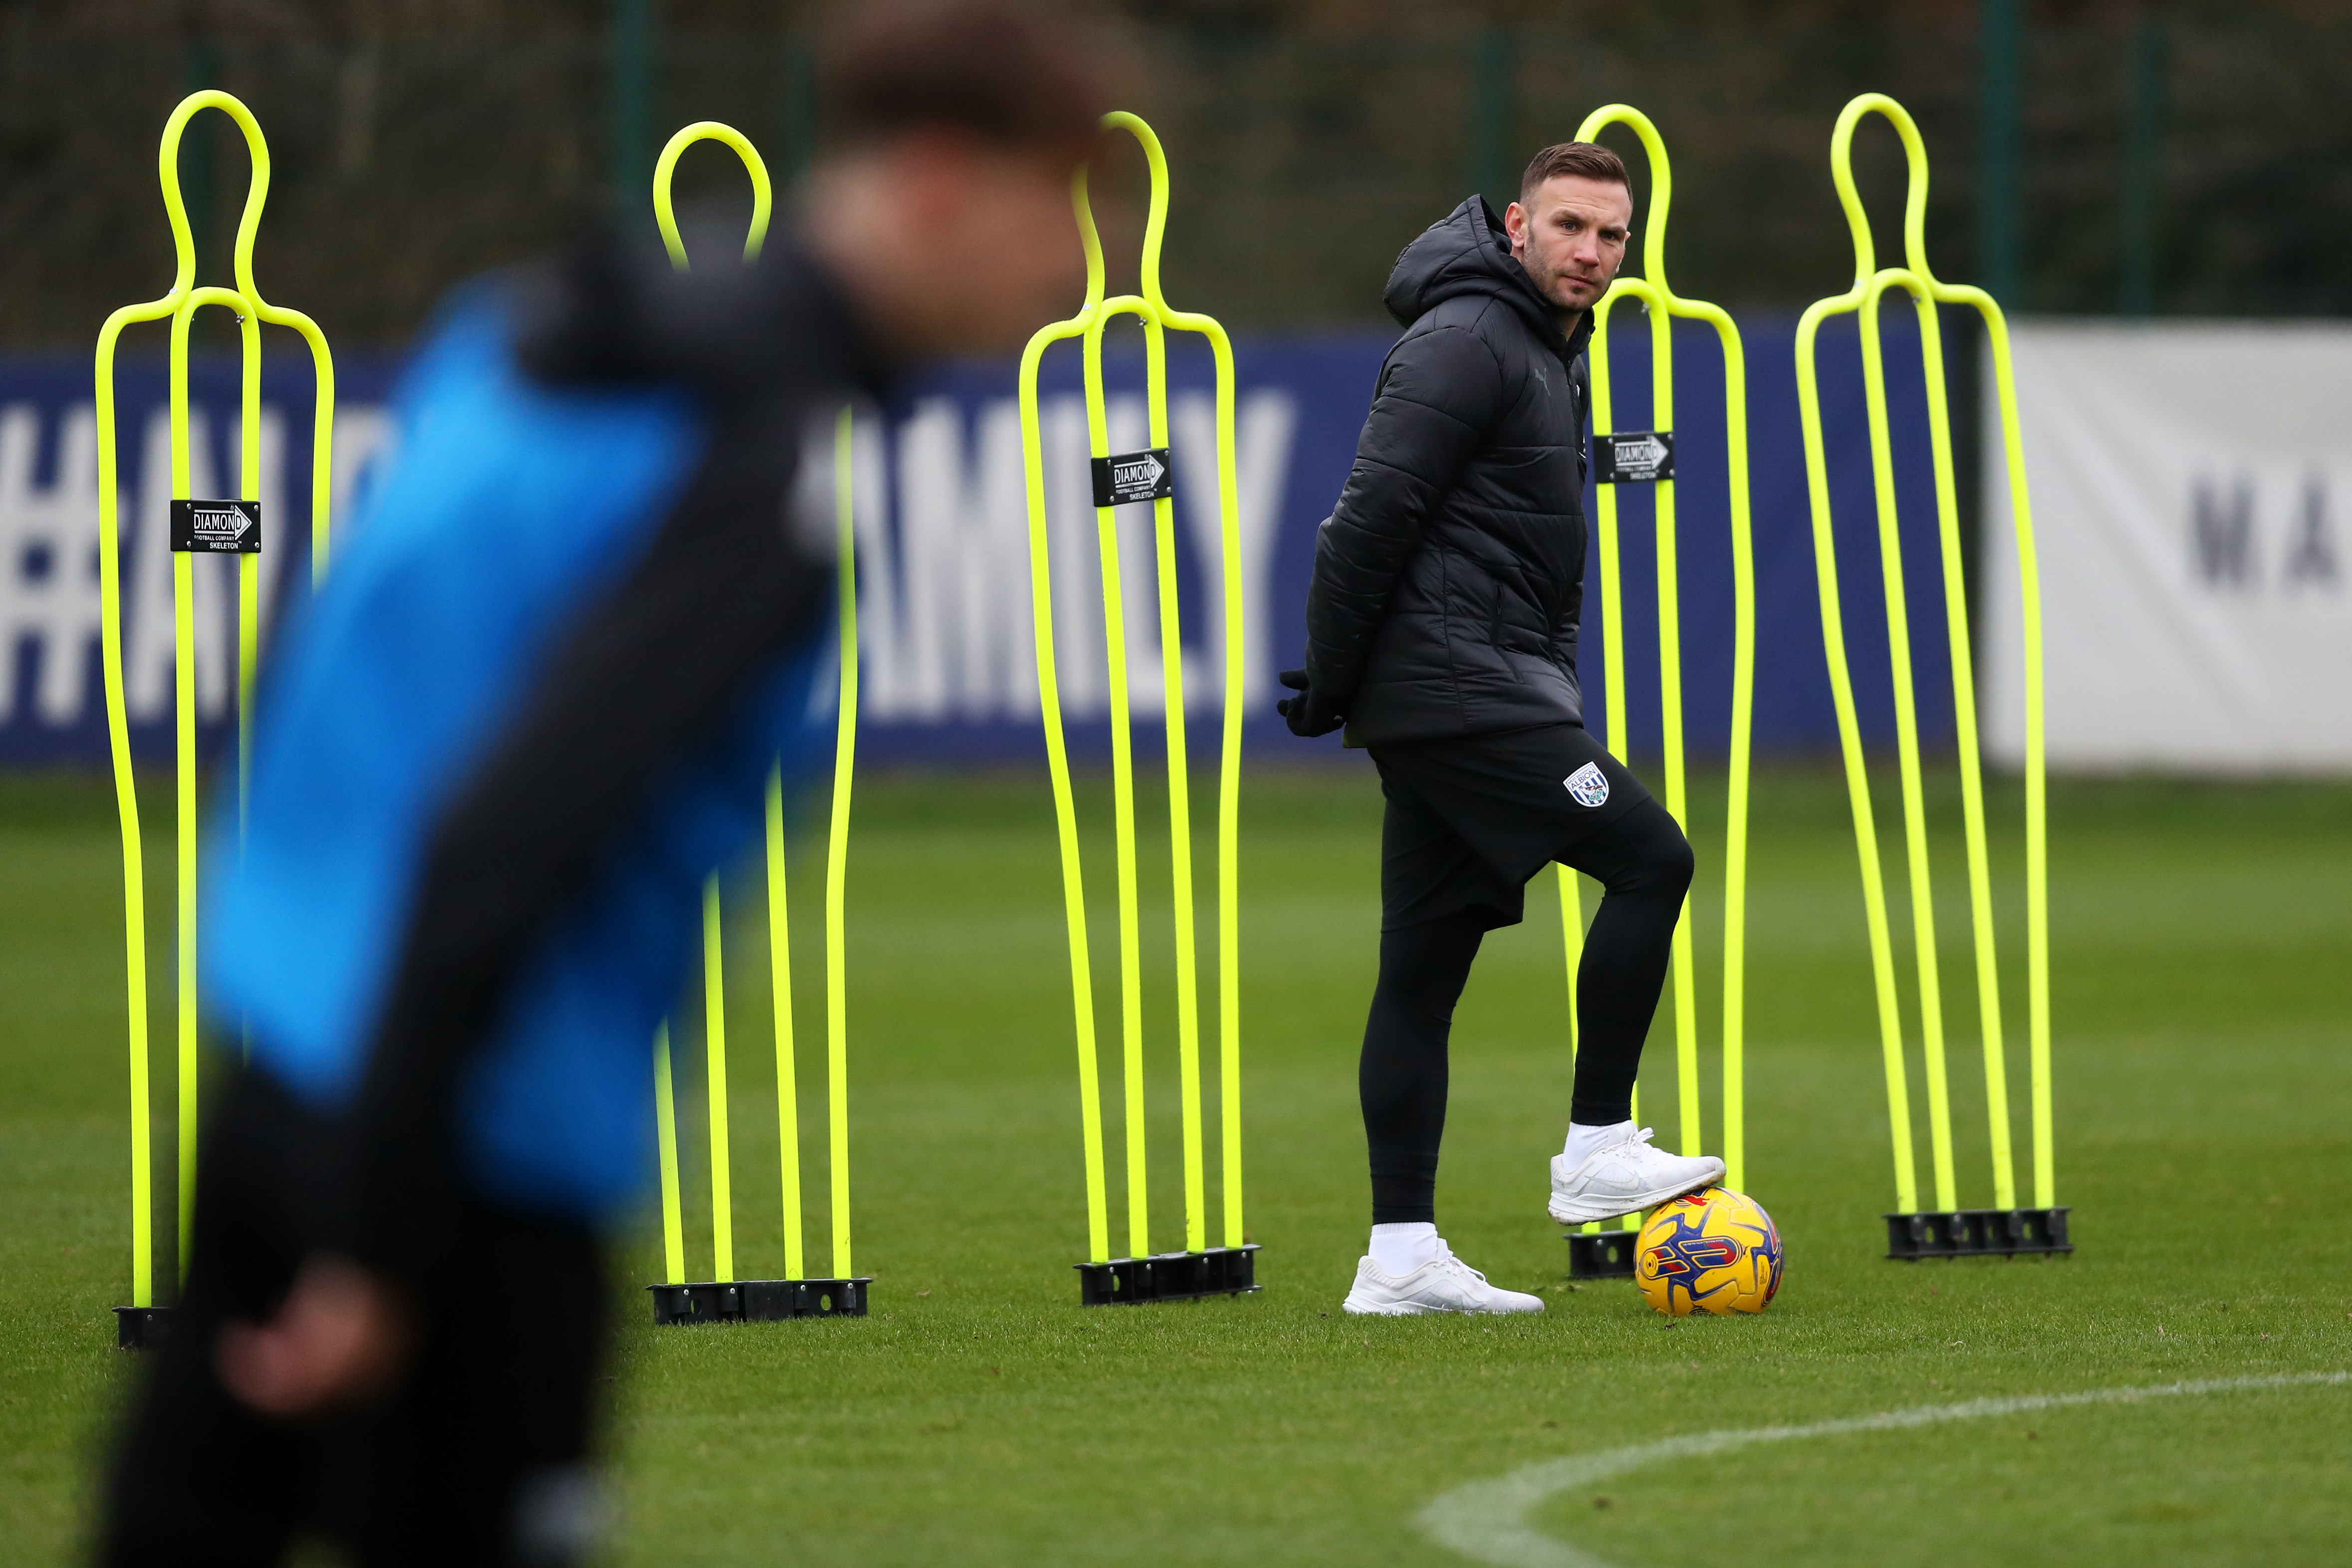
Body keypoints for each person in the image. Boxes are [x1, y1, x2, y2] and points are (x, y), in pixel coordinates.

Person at [95, 3, 1119, 1563]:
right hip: (467, 1145)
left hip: (281, 1055)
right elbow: (502, 838)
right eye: (1065, 218)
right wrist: (383, 1237)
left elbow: (323, 661)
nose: (1074, 275)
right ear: (935, 179)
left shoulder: (531, 320)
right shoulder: (765, 468)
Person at [1279, 142, 1724, 1317]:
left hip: (1464, 689)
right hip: (1457, 689)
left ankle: (1399, 1258)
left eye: (1613, 237)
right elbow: (1365, 518)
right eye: (1570, 226)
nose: (1592, 252)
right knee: (1651, 857)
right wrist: (1334, 676)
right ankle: (1595, 1147)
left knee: (1421, 975)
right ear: (1516, 224)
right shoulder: (1470, 339)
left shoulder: (1539, 345)